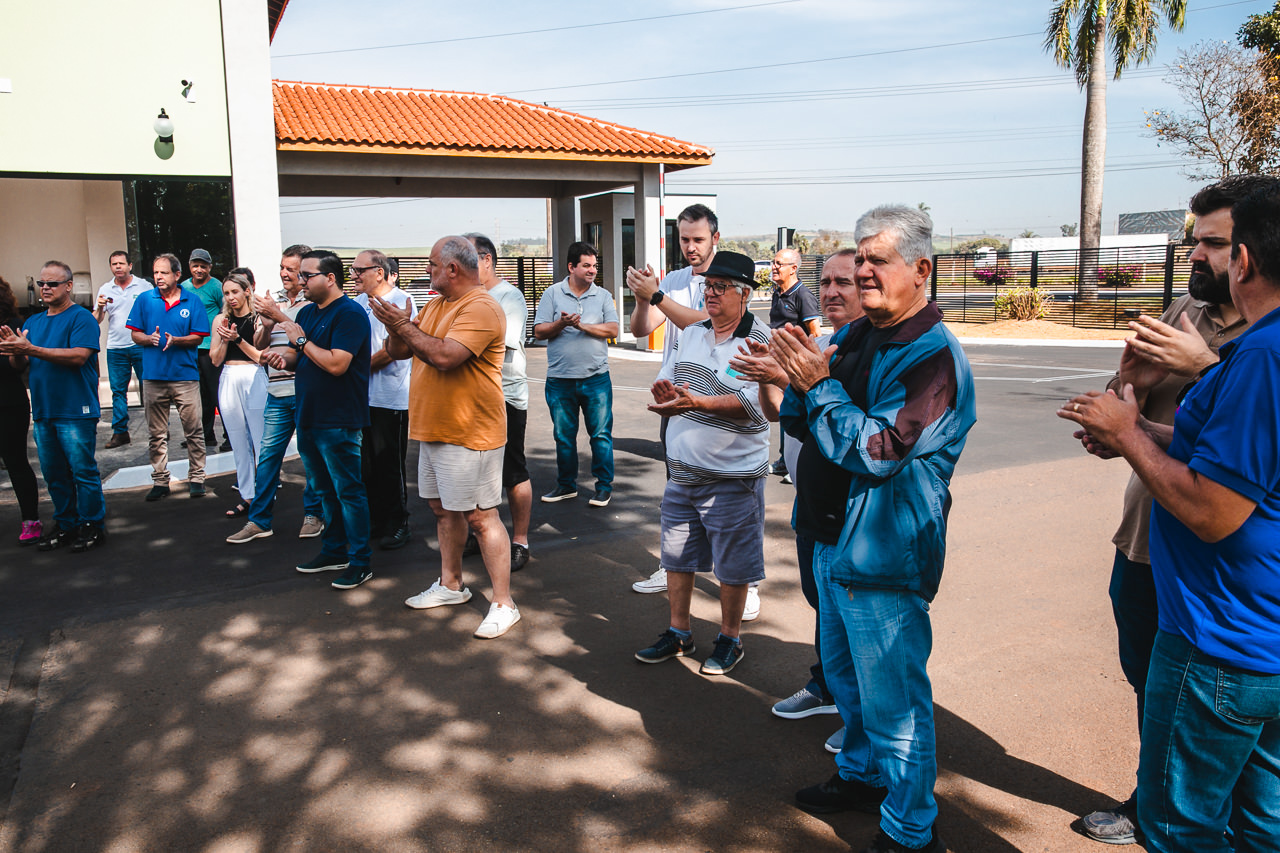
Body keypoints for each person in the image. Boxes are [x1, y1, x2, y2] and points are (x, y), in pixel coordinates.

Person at [1061, 181, 1280, 853]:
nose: (1197, 255)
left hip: (1224, 627)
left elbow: (1216, 509)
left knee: (1182, 823)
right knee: (1261, 818)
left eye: (1215, 244)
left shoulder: (1260, 353)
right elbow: (1208, 446)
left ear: (1245, 257)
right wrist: (1129, 410)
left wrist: (1140, 427)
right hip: (1228, 609)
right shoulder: (1191, 315)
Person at [782, 205, 975, 853]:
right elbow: (806, 420)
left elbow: (878, 448)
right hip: (833, 539)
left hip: (885, 555)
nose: (862, 271)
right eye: (858, 258)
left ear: (921, 269)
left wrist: (818, 386)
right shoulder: (862, 334)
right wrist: (795, 380)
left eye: (877, 260)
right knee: (847, 682)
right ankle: (863, 777)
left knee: (896, 707)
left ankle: (911, 829)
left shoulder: (933, 357)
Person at [731, 249, 864, 734]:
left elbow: (864, 439)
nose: (831, 292)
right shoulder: (823, 346)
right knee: (823, 607)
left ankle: (862, 724)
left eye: (844, 282)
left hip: (850, 514)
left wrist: (791, 375)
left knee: (853, 619)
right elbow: (778, 414)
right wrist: (771, 378)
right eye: (825, 282)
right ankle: (829, 687)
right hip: (812, 506)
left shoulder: (871, 355)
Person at [372, 236, 520, 639]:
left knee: (481, 517)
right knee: (442, 510)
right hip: (435, 428)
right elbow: (400, 351)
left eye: (432, 264)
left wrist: (402, 326)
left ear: (452, 269)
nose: (427, 270)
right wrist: (396, 328)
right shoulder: (437, 304)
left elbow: (444, 356)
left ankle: (504, 603)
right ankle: (451, 584)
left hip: (471, 432)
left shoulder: (481, 306)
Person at [633, 251, 771, 676]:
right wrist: (667, 394)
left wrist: (697, 403)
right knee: (676, 557)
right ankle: (680, 632)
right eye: (708, 286)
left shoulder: (759, 340)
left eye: (720, 287)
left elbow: (755, 407)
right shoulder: (692, 332)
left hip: (733, 476)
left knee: (733, 566)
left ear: (744, 294)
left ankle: (730, 639)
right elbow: (676, 381)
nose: (710, 293)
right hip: (682, 472)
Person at [261, 250, 372, 590]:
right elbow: (299, 354)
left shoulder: (350, 314)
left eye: (307, 275)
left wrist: (300, 340)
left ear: (331, 278)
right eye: (300, 275)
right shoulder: (308, 312)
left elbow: (337, 364)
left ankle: (360, 561)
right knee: (324, 490)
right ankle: (334, 550)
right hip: (308, 414)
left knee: (348, 491)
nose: (300, 281)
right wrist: (283, 358)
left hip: (338, 418)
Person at [0, 261, 107, 552]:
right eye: (42, 284)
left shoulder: (81, 318)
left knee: (82, 471)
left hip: (75, 409)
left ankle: (92, 524)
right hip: (44, 410)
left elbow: (79, 356)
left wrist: (30, 349)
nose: (45, 288)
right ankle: (66, 524)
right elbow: (21, 365)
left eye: (52, 283)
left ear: (68, 286)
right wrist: (16, 350)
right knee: (54, 473)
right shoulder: (34, 322)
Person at [226, 245, 326, 543]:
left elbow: (307, 341)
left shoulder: (313, 302)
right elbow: (260, 344)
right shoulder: (275, 301)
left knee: (311, 457)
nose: (284, 273)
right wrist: (267, 325)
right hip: (276, 390)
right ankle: (259, 521)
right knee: (268, 457)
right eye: (282, 267)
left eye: (291, 269)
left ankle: (313, 515)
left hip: (305, 390)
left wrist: (276, 314)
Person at [465, 233, 533, 572]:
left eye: (466, 259)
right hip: (470, 399)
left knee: (512, 470)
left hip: (505, 396)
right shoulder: (468, 296)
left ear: (486, 260)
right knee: (473, 470)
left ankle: (520, 540)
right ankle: (480, 531)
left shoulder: (509, 296)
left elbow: (495, 344)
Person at [533, 241, 619, 507]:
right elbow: (539, 331)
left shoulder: (602, 295)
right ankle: (566, 485)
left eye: (594, 265)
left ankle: (603, 487)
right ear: (571, 267)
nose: (592, 270)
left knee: (601, 436)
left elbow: (613, 330)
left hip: (596, 379)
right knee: (563, 437)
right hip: (560, 380)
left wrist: (583, 326)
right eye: (586, 265)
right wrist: (561, 323)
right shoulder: (552, 294)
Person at [127, 253, 211, 500]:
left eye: (163, 272)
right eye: (155, 273)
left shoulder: (192, 301)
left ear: (177, 275)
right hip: (153, 377)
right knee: (157, 433)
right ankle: (160, 480)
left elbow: (198, 337)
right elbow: (134, 334)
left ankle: (197, 478)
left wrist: (176, 340)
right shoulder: (145, 299)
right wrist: (148, 338)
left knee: (193, 430)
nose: (158, 277)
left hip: (185, 376)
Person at [351, 249, 413, 551]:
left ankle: (398, 522)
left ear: (379, 272)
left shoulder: (401, 301)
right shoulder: (358, 304)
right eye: (353, 270)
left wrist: (355, 369)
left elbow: (394, 350)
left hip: (391, 397)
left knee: (390, 465)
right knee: (367, 466)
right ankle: (377, 520)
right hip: (362, 397)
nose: (354, 275)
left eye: (359, 270)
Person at [209, 272, 267, 519]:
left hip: (254, 376)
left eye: (235, 291)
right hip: (229, 376)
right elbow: (215, 359)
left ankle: (264, 494)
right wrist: (224, 339)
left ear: (246, 291)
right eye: (226, 293)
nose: (231, 297)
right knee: (237, 440)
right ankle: (247, 496)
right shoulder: (220, 319)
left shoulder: (258, 318)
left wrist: (237, 338)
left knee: (260, 439)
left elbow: (261, 357)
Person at [767, 247, 821, 478]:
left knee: (797, 412)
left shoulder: (803, 295)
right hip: (778, 360)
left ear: (793, 268)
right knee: (783, 412)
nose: (774, 267)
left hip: (796, 365)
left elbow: (815, 334)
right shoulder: (777, 293)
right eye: (774, 262)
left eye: (779, 264)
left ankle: (795, 463)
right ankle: (785, 460)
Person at [0, 276, 43, 545]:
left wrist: (15, 351)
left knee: (16, 462)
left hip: (8, 403)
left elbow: (19, 366)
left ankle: (31, 520)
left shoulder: (14, 325)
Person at [94, 251, 152, 449]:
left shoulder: (144, 286)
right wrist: (99, 307)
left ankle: (159, 428)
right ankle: (120, 433)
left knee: (150, 388)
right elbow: (96, 320)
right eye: (114, 264)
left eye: (121, 263)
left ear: (130, 265)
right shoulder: (105, 289)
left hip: (140, 345)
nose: (118, 267)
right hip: (115, 348)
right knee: (118, 391)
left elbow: (156, 311)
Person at [183, 248, 227, 452]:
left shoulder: (217, 286)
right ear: (189, 266)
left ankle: (230, 436)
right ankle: (206, 435)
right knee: (200, 396)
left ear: (210, 267)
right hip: (192, 346)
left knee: (217, 393)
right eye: (195, 265)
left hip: (211, 347)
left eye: (203, 266)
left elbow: (225, 311)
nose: (199, 269)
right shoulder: (184, 287)